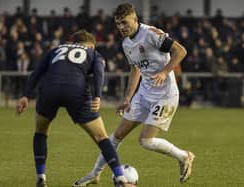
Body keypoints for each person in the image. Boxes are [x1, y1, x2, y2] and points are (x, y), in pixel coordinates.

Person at [74, 3, 195, 186]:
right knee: (116, 136)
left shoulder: (152, 34)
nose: (122, 27)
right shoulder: (126, 43)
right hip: (144, 93)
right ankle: (94, 174)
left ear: (135, 19)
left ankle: (184, 157)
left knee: (146, 141)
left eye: (124, 22)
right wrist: (128, 98)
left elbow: (181, 51)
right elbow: (135, 70)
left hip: (165, 95)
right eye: (118, 24)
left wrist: (164, 71)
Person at [16, 30, 133, 187]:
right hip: (76, 91)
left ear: (72, 42)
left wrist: (26, 96)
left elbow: (36, 73)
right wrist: (97, 95)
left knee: (41, 132)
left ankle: (41, 176)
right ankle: (120, 178)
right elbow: (99, 71)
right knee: (101, 137)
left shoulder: (55, 50)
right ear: (91, 45)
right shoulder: (93, 53)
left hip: (49, 89)